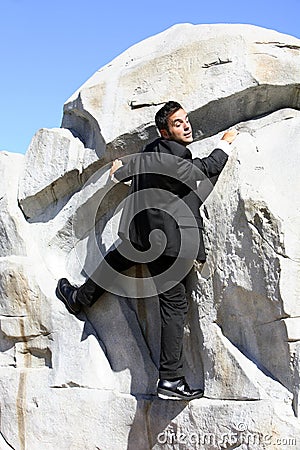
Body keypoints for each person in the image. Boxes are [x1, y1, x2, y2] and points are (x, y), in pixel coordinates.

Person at [56, 101, 237, 400]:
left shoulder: (150, 150)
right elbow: (205, 169)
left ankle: (79, 298)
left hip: (141, 234)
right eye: (179, 123)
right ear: (165, 131)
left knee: (117, 257)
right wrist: (224, 145)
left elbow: (136, 169)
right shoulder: (175, 155)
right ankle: (170, 380)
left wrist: (120, 171)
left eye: (186, 119)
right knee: (175, 306)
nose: (187, 126)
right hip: (168, 245)